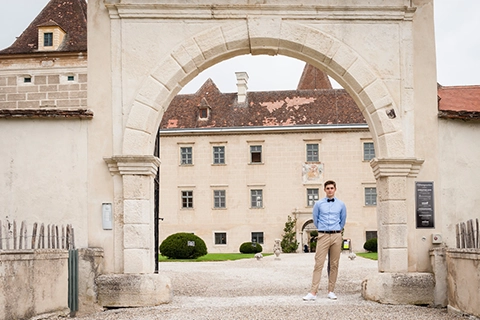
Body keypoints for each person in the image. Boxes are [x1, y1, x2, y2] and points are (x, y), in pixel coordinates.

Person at [303, 180, 347, 301]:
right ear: (324, 190)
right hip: (322, 235)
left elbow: (342, 220)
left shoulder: (341, 205)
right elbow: (315, 219)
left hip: (336, 235)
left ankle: (331, 291)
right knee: (318, 264)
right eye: (327, 188)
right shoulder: (318, 204)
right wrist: (322, 230)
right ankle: (313, 292)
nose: (330, 190)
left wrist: (337, 230)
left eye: (332, 188)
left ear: (335, 189)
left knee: (334, 264)